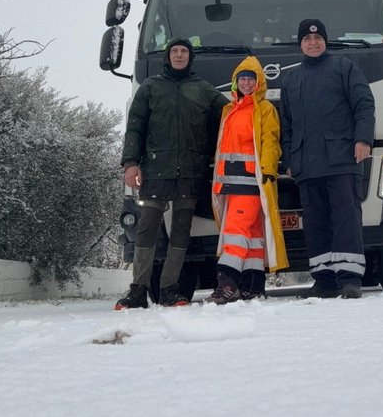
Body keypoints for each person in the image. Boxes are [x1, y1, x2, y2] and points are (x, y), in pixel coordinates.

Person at [115, 39, 227, 310]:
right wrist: (131, 163)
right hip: (155, 170)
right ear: (168, 57)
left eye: (184, 52)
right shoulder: (150, 87)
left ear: (190, 58)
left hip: (190, 171)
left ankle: (169, 289)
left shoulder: (202, 89)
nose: (179, 55)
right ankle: (138, 290)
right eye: (175, 52)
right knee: (147, 229)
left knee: (181, 232)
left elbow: (230, 112)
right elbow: (135, 127)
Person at [280, 19, 375, 299]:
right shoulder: (290, 79)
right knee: (315, 222)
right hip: (306, 165)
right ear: (300, 44)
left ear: (325, 41)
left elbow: (364, 104)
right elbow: (287, 124)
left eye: (318, 38)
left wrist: (363, 139)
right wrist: (289, 158)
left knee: (346, 218)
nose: (313, 43)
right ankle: (323, 280)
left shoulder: (344, 68)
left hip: (342, 159)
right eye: (307, 40)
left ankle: (349, 279)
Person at [208, 57, 289, 303]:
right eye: (241, 79)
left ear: (258, 82)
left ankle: (227, 282)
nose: (245, 83)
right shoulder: (229, 110)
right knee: (253, 236)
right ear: (235, 82)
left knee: (234, 231)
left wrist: (267, 170)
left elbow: (270, 142)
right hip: (230, 183)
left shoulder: (264, 109)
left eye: (250, 79)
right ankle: (253, 286)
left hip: (251, 182)